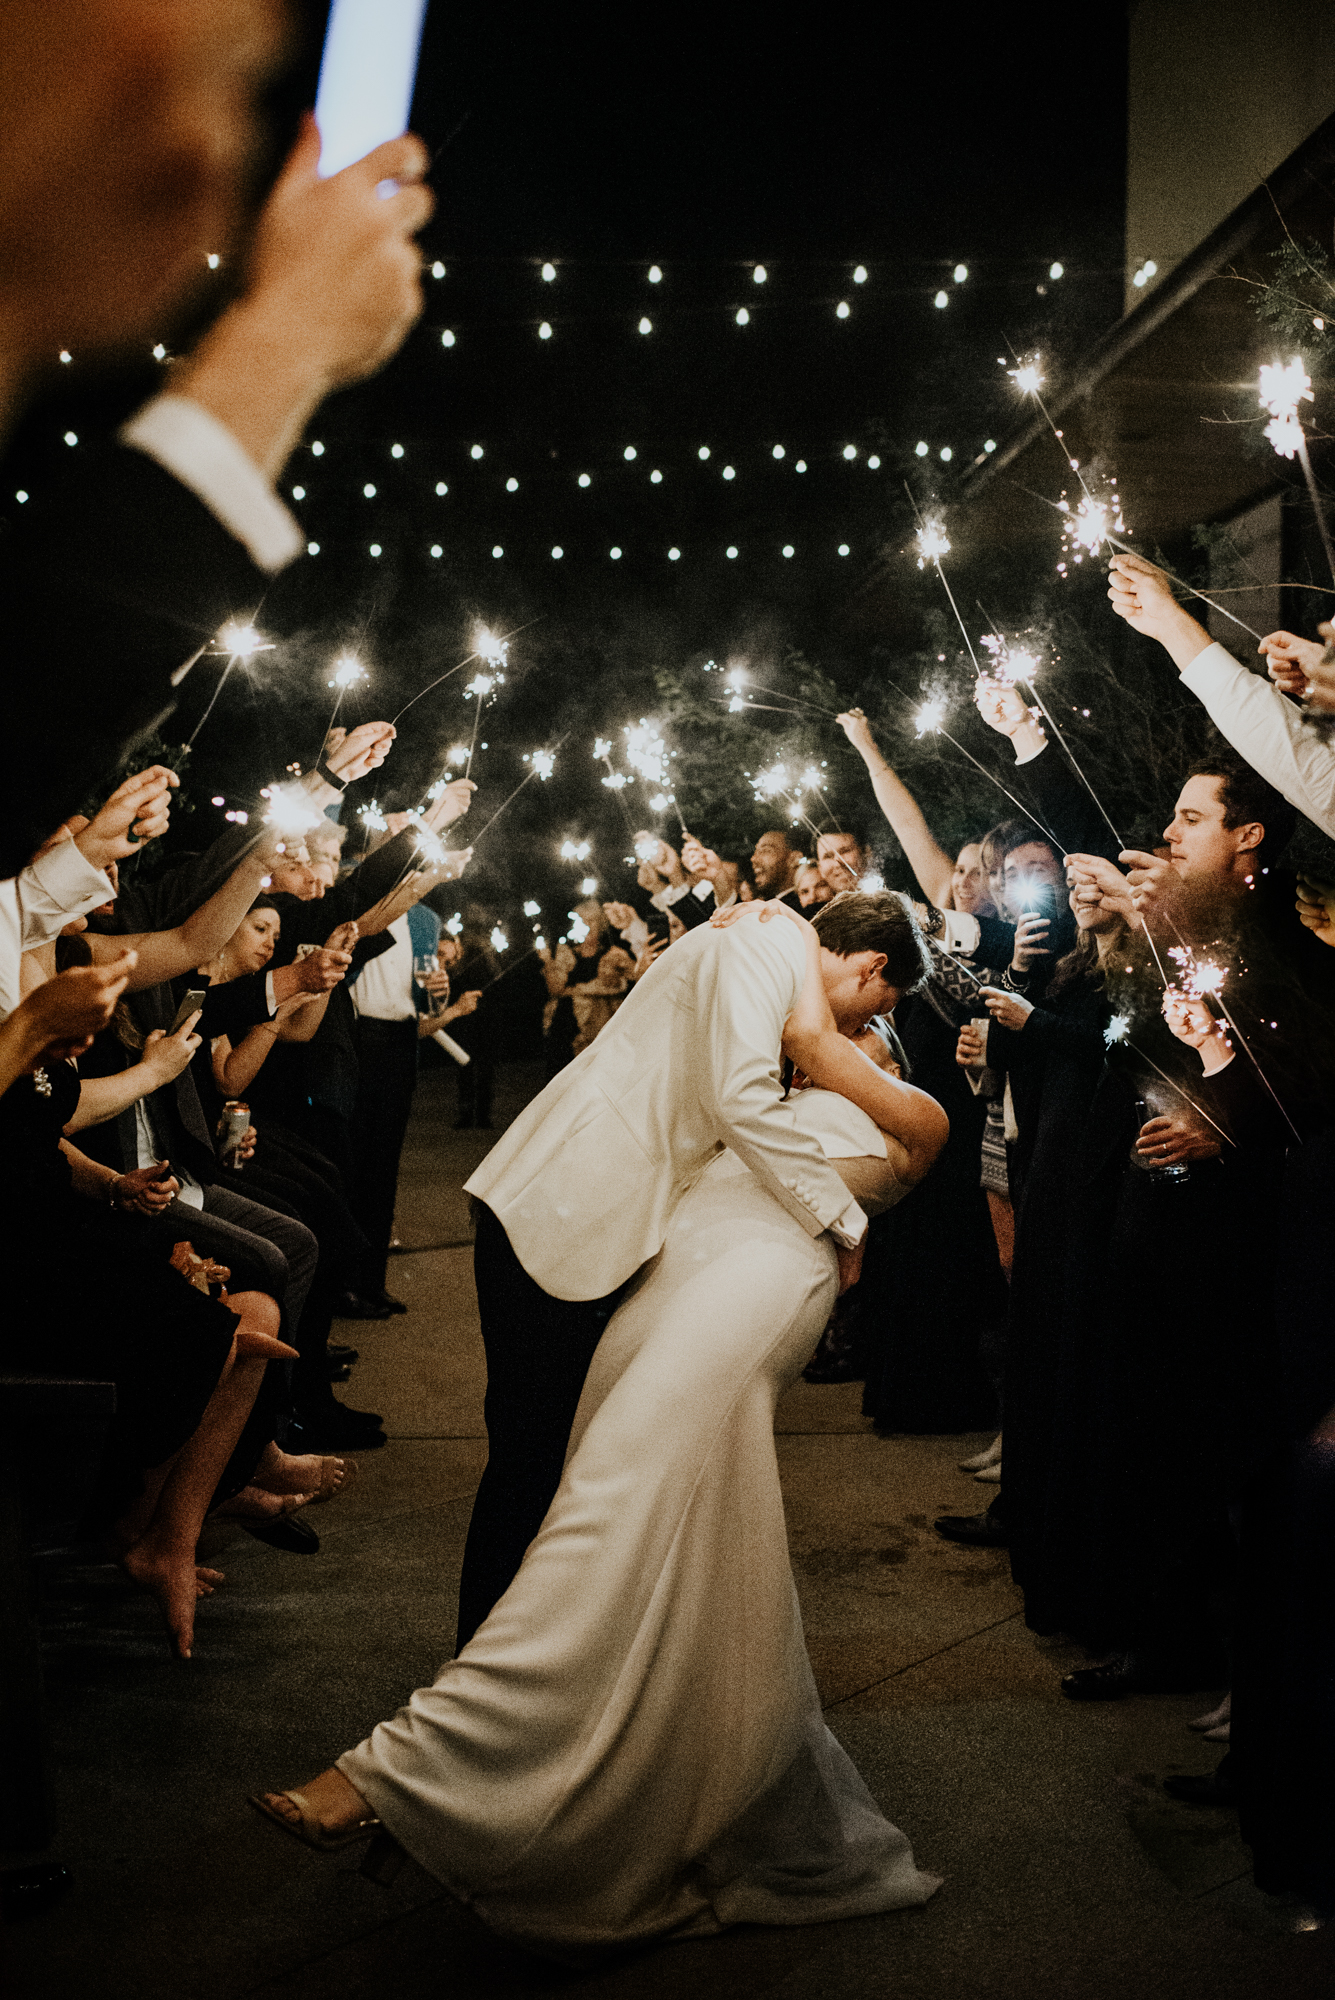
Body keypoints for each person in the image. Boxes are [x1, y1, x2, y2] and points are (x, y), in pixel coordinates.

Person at [250, 897, 947, 1955]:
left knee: (587, 1495)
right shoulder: (768, 946)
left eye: (885, 1023)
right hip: (598, 1234)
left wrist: (840, 1171)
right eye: (877, 1001)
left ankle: (432, 1772)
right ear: (864, 960)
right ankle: (482, 1778)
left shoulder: (861, 1050)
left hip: (698, 1270)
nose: (867, 1025)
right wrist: (840, 1202)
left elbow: (818, 1095)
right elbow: (748, 1084)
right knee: (562, 1487)